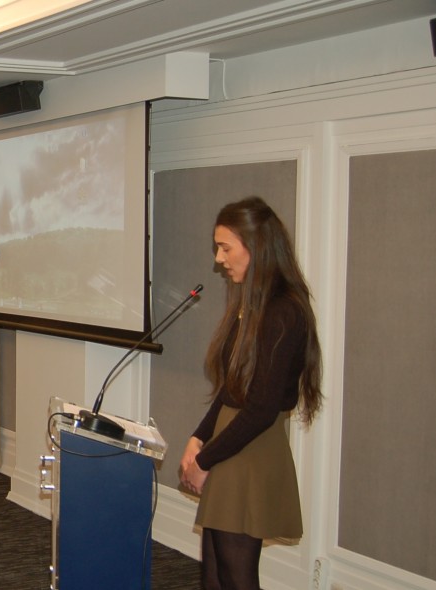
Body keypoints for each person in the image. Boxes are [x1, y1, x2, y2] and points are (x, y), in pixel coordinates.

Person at [178, 196, 323, 590]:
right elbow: (233, 386)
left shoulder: (283, 311)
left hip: (248, 450)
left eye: (226, 248)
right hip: (230, 443)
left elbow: (260, 409)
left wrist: (204, 460)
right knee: (214, 573)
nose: (219, 259)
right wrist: (198, 437)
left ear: (256, 246)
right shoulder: (253, 304)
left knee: (236, 576)